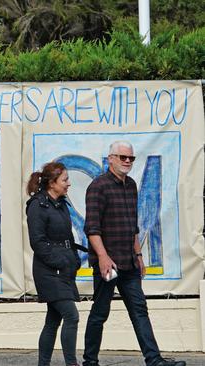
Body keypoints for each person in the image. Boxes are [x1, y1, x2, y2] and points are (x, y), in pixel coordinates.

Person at [82, 141, 185, 366]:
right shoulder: (97, 187)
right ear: (110, 159)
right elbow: (92, 228)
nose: (127, 161)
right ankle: (90, 361)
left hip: (128, 263)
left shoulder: (131, 185)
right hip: (108, 265)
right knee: (100, 313)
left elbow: (133, 227)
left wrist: (138, 256)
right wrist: (102, 257)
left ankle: (154, 359)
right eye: (122, 157)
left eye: (131, 158)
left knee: (139, 310)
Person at [26, 162, 84, 366]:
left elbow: (68, 235)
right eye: (65, 180)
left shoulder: (61, 203)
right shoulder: (37, 205)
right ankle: (71, 363)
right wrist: (58, 262)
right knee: (71, 315)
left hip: (65, 268)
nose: (69, 184)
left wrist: (74, 260)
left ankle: (43, 364)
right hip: (49, 271)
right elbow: (37, 241)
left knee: (53, 320)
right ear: (52, 183)